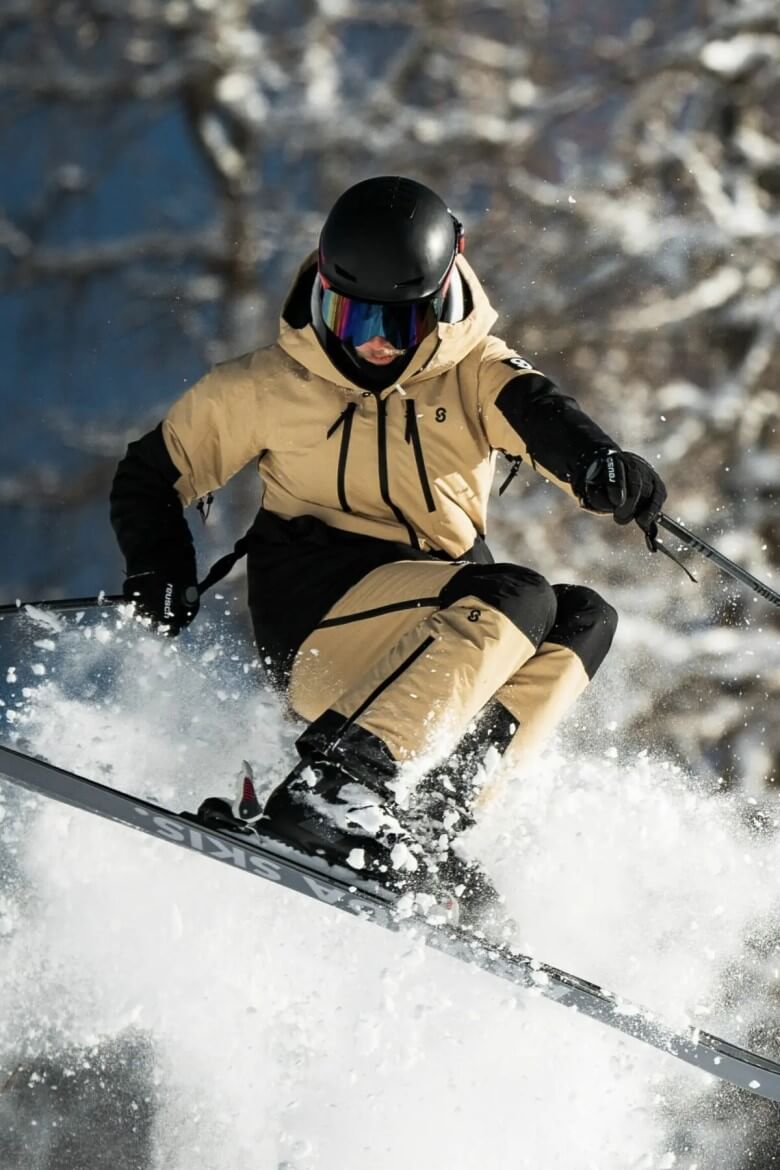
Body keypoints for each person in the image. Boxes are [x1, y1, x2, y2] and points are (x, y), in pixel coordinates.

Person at [110, 176, 666, 905]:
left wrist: (600, 464)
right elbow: (150, 477)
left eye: (399, 325)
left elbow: (542, 415)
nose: (372, 342)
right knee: (517, 592)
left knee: (584, 617)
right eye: (350, 315)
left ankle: (421, 818)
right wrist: (158, 568)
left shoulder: (472, 371)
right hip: (316, 613)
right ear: (321, 289)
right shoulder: (267, 386)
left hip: (435, 627)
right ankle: (332, 791)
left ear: (437, 302)